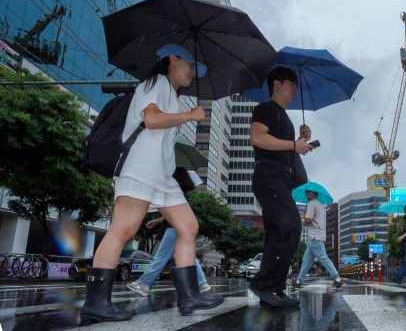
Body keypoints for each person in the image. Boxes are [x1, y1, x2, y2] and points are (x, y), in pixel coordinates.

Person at [80, 44, 222, 322]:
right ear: (173, 59)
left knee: (189, 226)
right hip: (140, 169)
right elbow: (152, 119)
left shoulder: (171, 93)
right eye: (190, 65)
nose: (193, 73)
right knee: (123, 229)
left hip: (162, 176)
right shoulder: (155, 82)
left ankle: (191, 297)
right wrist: (191, 116)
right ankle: (95, 302)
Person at [248, 67, 315, 307]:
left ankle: (273, 291)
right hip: (269, 175)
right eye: (291, 84)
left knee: (276, 233)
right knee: (290, 225)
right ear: (277, 84)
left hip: (280, 179)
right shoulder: (265, 109)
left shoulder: (285, 118)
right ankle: (264, 284)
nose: (295, 89)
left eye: (296, 85)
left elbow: (286, 149)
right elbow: (256, 137)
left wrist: (301, 140)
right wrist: (293, 144)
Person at [126, 168, 211, 296]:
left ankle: (143, 283)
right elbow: (174, 213)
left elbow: (171, 212)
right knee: (190, 256)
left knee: (161, 257)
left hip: (173, 229)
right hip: (182, 228)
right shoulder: (183, 193)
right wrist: (157, 221)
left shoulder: (174, 191)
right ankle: (201, 283)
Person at [291, 190, 344, 290]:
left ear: (311, 193)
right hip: (317, 236)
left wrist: (301, 219)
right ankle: (298, 282)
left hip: (315, 237)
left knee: (323, 258)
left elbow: (307, 221)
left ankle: (338, 279)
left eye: (306, 193)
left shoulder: (312, 204)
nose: (305, 195)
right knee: (306, 261)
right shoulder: (320, 205)